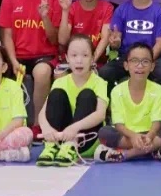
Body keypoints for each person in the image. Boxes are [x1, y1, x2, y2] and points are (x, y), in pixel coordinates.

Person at [0, 0, 60, 134]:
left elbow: (55, 39)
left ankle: (38, 125)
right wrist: (13, 61)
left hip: (44, 56)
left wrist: (45, 17)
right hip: (16, 56)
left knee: (42, 73)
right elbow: (6, 35)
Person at [99, 0, 161, 101]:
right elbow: (116, 40)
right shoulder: (121, 10)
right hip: (126, 57)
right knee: (104, 73)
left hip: (152, 57)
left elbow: (160, 42)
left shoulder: (159, 12)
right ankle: (109, 109)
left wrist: (146, 60)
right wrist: (115, 43)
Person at [93, 43, 161, 162]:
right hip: (127, 136)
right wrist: (133, 136)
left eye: (145, 61)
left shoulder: (158, 90)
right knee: (105, 132)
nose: (140, 66)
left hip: (150, 135)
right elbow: (118, 124)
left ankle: (126, 154)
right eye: (134, 61)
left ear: (152, 66)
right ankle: (153, 150)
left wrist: (149, 136)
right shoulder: (117, 91)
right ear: (126, 65)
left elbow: (157, 122)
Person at [37, 35, 108, 166]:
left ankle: (71, 146)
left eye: (85, 55)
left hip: (85, 139)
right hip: (62, 137)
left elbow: (100, 114)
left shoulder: (99, 83)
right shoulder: (60, 82)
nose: (79, 60)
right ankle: (52, 146)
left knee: (87, 95)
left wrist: (75, 128)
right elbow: (43, 112)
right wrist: (46, 129)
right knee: (57, 94)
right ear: (67, 58)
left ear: (92, 58)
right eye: (74, 55)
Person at [59, 0, 113, 69]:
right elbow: (62, 41)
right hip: (73, 61)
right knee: (59, 75)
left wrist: (92, 60)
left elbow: (105, 38)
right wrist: (65, 11)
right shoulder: (72, 7)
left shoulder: (107, 8)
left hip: (96, 61)